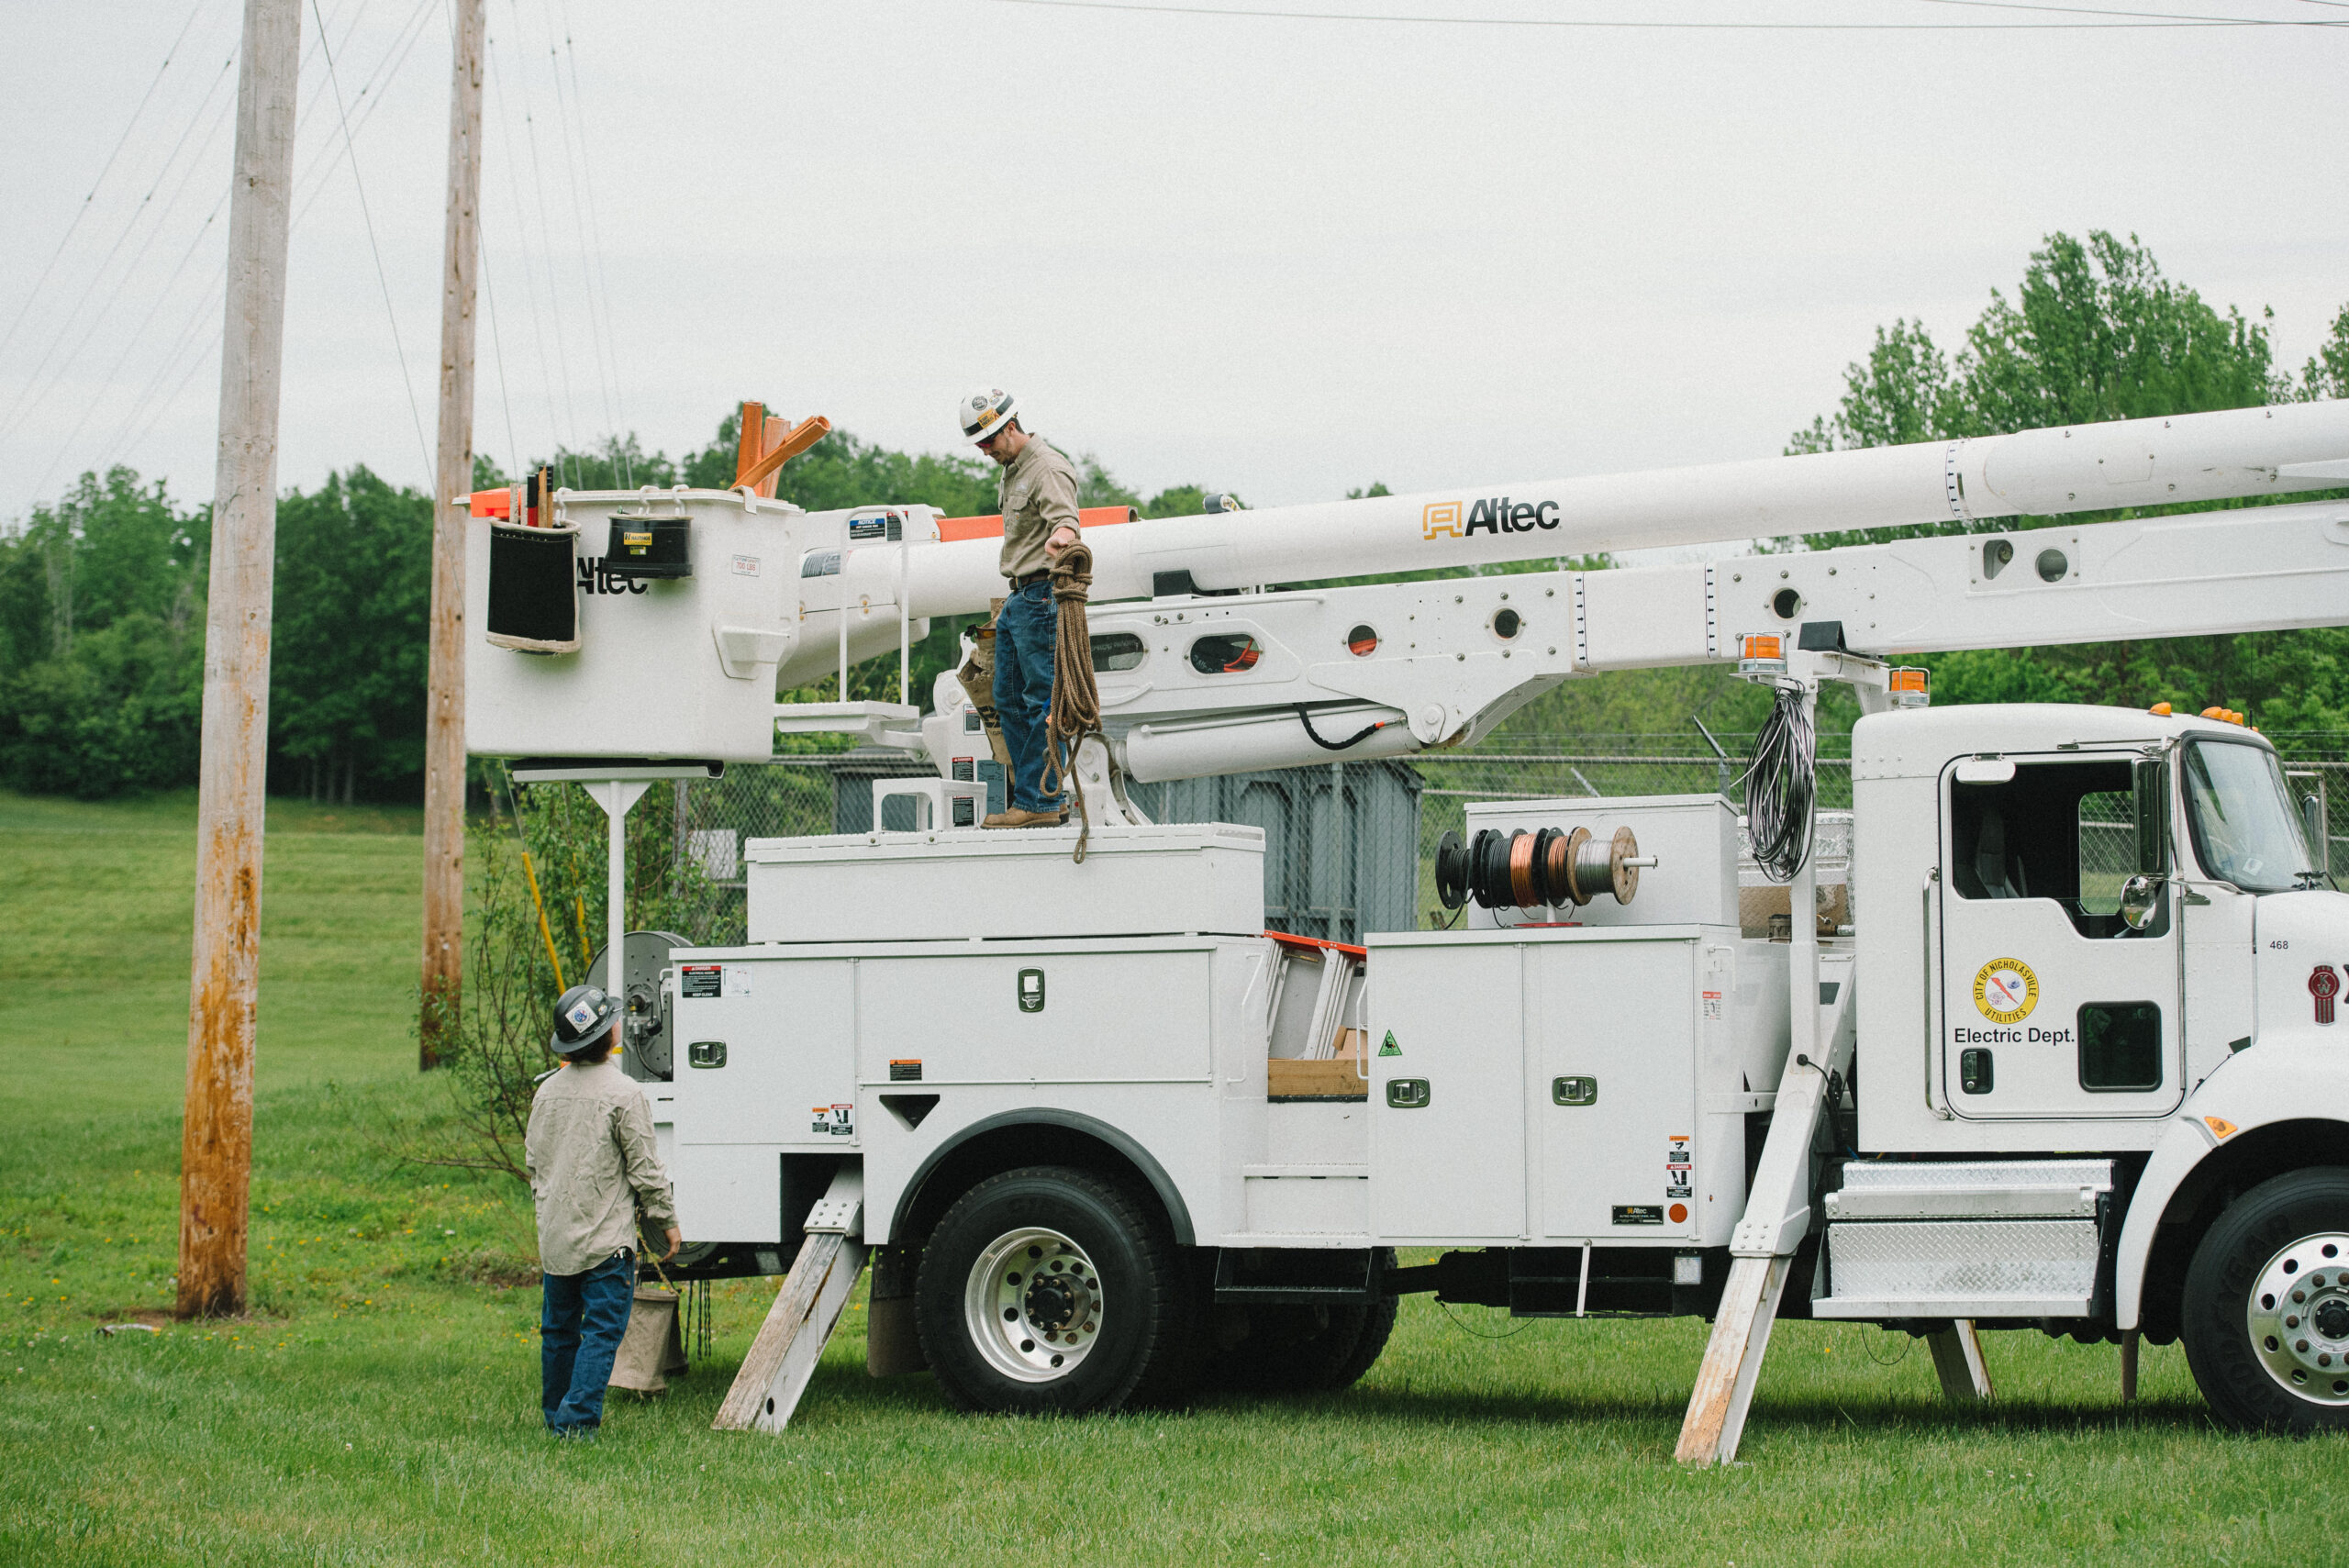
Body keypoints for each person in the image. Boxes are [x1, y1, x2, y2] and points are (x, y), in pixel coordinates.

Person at [525, 983, 680, 1439]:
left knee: (558, 1330)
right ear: (606, 1035)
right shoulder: (624, 1093)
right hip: (606, 1241)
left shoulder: (546, 1093)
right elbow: (645, 1168)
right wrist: (666, 1220)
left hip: (556, 1235)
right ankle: (576, 1423)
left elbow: (534, 1160)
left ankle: (556, 1415)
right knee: (602, 1331)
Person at [961, 388, 1082, 828]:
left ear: (1010, 428)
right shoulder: (1014, 469)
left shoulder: (1046, 467)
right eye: (979, 444)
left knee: (1040, 700)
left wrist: (1063, 537)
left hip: (1040, 596)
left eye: (989, 441)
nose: (985, 450)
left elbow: (1066, 519)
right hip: (1019, 599)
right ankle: (1035, 797)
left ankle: (1042, 802)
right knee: (1007, 699)